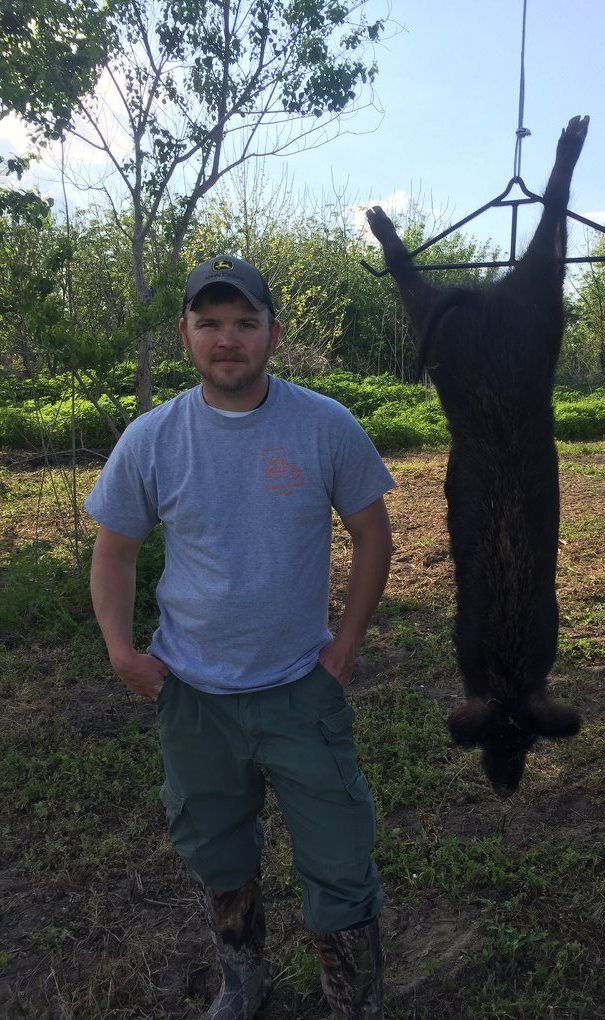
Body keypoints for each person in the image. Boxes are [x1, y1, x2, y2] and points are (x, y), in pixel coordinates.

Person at [85, 255, 394, 1019]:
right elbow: (115, 549)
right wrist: (122, 650)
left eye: (244, 324)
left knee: (339, 856)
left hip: (300, 690)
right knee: (217, 850)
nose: (228, 340)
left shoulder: (324, 425)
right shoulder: (152, 438)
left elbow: (372, 536)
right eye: (210, 323)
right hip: (193, 697)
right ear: (185, 334)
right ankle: (241, 980)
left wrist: (345, 644)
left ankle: (352, 1001)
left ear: (273, 334)